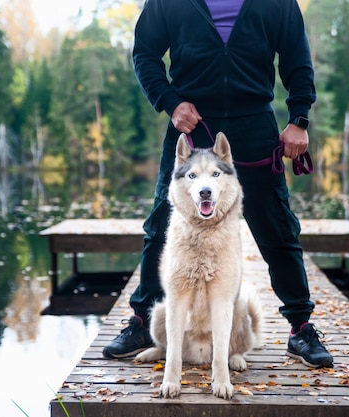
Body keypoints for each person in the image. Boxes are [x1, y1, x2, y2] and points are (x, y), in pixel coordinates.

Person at [102, 0, 333, 369]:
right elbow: (144, 54)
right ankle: (143, 322)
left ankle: (300, 327)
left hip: (255, 123)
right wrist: (171, 102)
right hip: (191, 125)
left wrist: (299, 118)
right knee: (161, 226)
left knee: (277, 227)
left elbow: (296, 59)